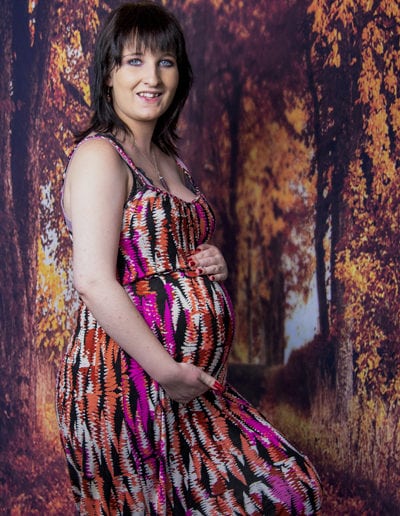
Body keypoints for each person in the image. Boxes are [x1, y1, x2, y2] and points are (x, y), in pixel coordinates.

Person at [56, 2, 322, 514]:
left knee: (291, 490)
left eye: (165, 62)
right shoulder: (99, 156)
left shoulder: (166, 158)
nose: (151, 77)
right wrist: (165, 371)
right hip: (127, 387)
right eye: (134, 61)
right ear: (108, 72)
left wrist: (209, 263)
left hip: (186, 388)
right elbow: (92, 278)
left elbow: (154, 248)